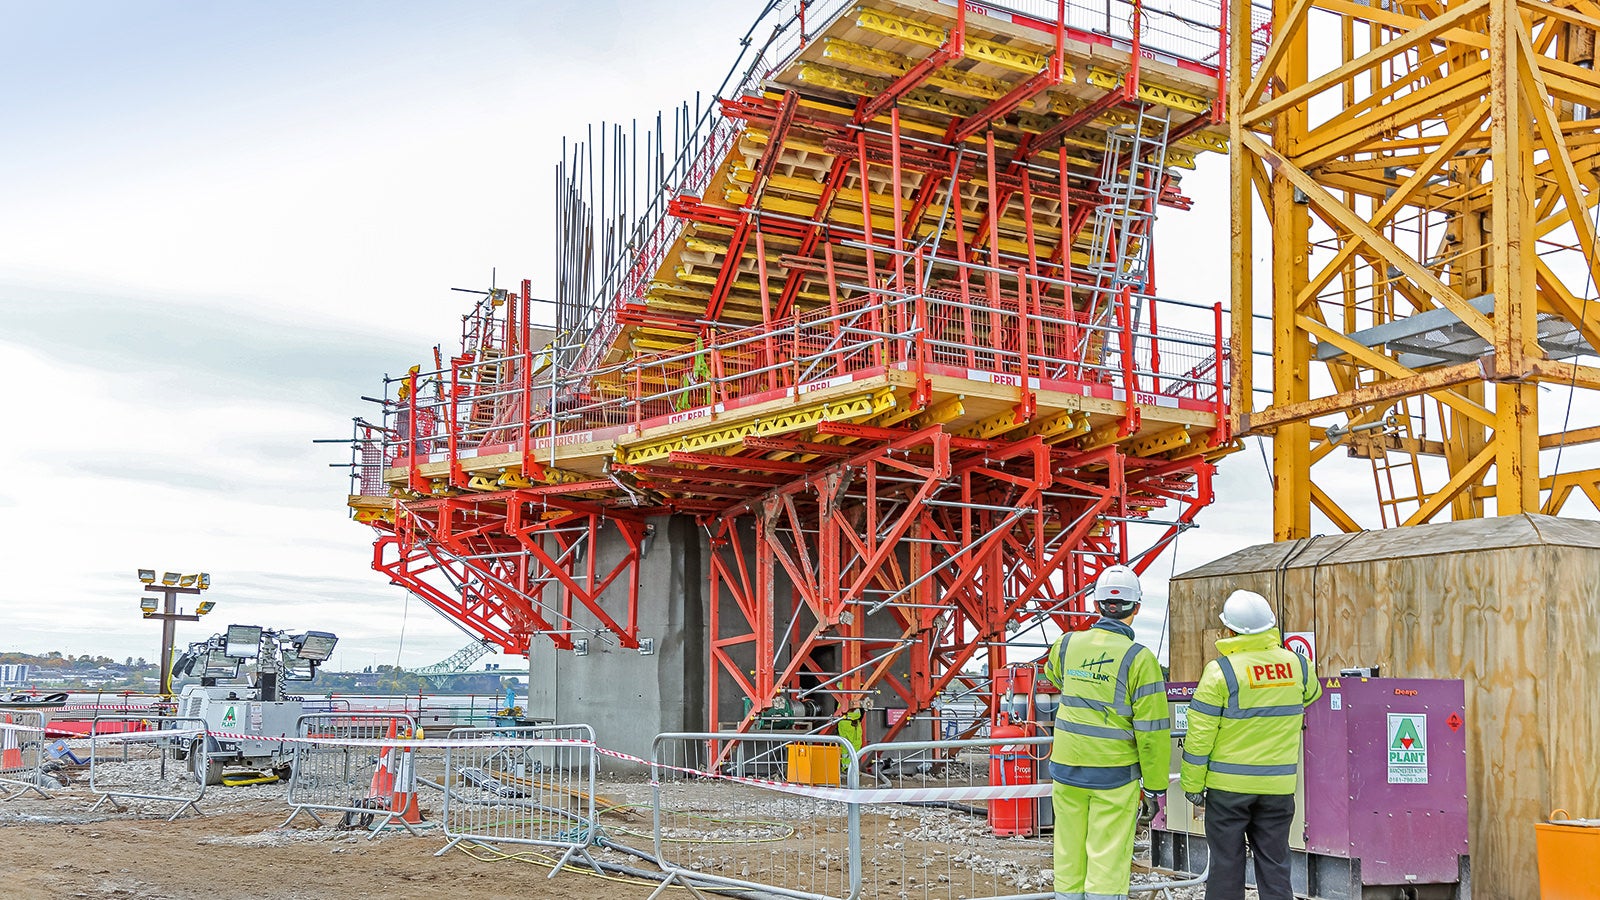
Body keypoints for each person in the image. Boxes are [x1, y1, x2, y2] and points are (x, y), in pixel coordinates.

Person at [1179, 590, 1322, 900]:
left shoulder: (1221, 671)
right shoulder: (1298, 665)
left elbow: (1199, 736)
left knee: (1226, 868)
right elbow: (1311, 694)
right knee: (1275, 868)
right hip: (1277, 788)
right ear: (1269, 625)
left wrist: (1192, 784)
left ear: (1230, 631)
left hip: (1228, 789)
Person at [1043, 565, 1170, 900]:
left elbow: (1056, 677)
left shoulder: (1067, 644)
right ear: (1137, 608)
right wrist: (1155, 787)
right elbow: (1152, 732)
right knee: (1108, 858)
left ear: (1096, 603)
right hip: (1114, 776)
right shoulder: (1140, 659)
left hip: (1067, 769)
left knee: (1068, 851)